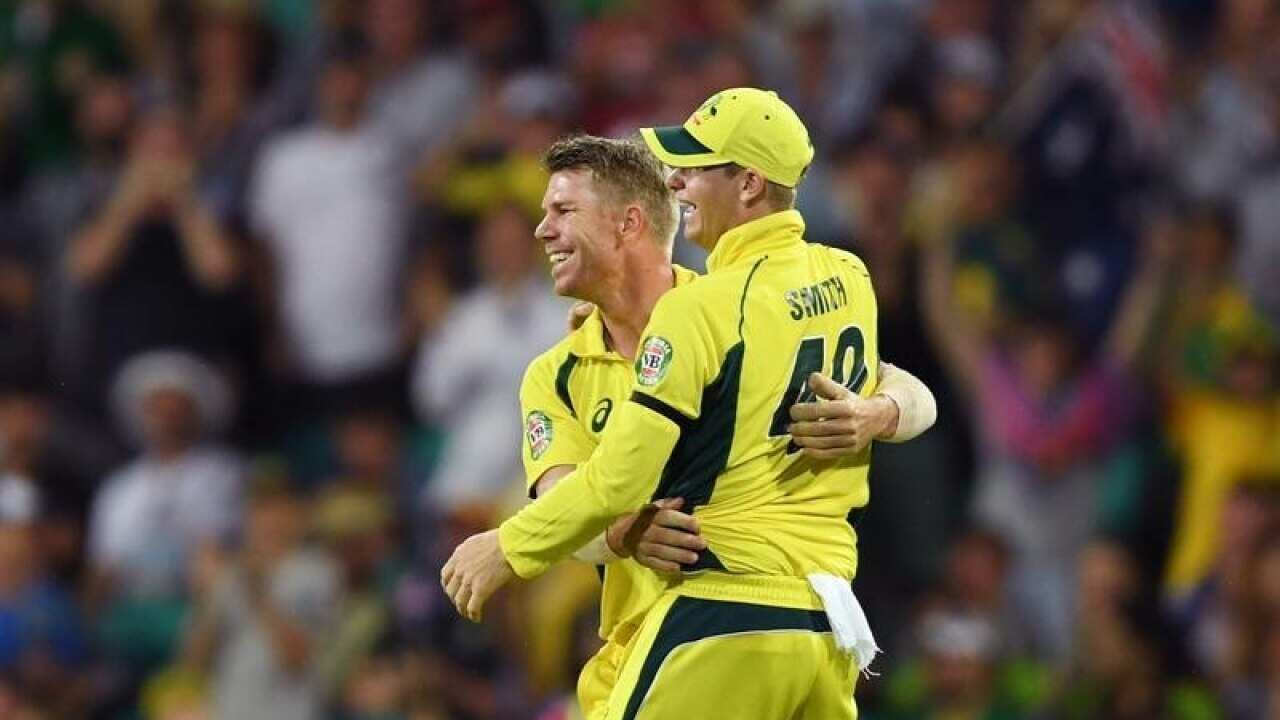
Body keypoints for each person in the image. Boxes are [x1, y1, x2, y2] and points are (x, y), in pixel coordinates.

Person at [445, 88, 926, 718]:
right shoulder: (841, 274)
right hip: (820, 622)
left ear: (629, 223)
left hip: (711, 614)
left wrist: (505, 547)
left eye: (563, 210)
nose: (543, 230)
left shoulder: (704, 312)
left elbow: (613, 481)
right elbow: (567, 500)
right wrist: (623, 534)